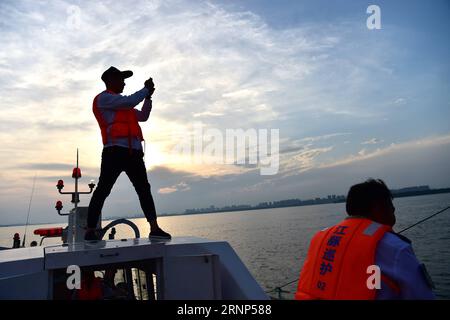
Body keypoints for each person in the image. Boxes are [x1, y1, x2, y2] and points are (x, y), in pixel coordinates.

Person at [295, 178, 435, 300]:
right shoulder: (395, 247)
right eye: (390, 205)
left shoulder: (320, 238)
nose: (393, 210)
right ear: (378, 208)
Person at [85, 66, 171, 241]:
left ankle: (154, 228)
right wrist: (145, 89)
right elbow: (130, 101)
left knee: (143, 189)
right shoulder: (104, 99)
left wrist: (148, 97)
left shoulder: (123, 105)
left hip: (134, 153)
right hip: (114, 151)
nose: (124, 83)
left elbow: (144, 116)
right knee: (103, 190)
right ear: (110, 81)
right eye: (121, 79)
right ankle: (90, 230)